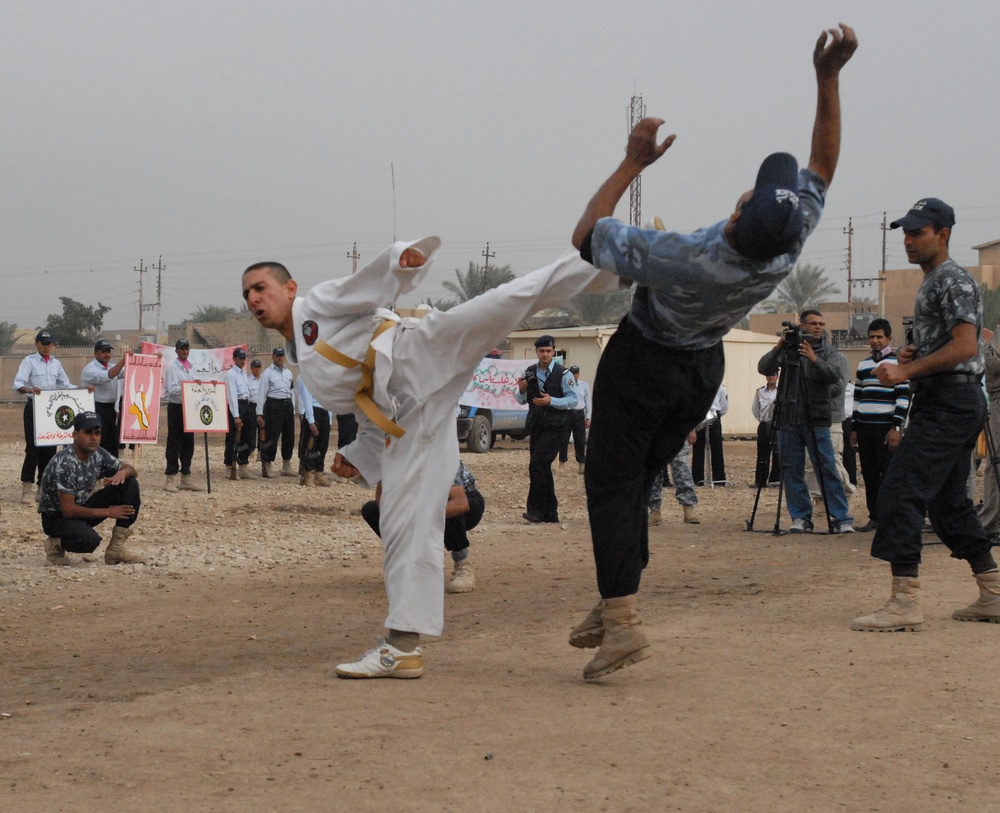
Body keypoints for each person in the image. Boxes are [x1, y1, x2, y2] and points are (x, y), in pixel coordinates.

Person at [567, 23, 857, 680]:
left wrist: (633, 163)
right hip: (701, 371)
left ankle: (622, 622)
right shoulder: (786, 241)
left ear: (738, 213)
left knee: (609, 482)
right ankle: (617, 600)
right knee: (637, 480)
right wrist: (828, 80)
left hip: (644, 363)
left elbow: (585, 233)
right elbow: (823, 165)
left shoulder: (685, 253)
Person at [241, 236, 616, 678]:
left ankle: (617, 261)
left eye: (260, 288)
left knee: (506, 300)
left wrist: (402, 263)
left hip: (418, 352)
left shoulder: (317, 304)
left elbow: (367, 286)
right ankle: (403, 646)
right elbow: (368, 405)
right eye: (247, 295)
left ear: (289, 289)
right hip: (417, 412)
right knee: (403, 520)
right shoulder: (311, 368)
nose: (253, 299)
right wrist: (358, 456)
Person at [852, 198, 1000, 631]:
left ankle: (904, 603)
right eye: (906, 233)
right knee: (950, 504)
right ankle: (993, 592)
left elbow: (967, 346)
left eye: (918, 232)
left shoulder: (952, 279)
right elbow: (950, 346)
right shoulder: (935, 281)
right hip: (947, 399)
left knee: (899, 490)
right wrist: (915, 353)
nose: (909, 240)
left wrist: (905, 369)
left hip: (950, 402)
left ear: (944, 234)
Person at [758, 309, 854, 534]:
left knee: (826, 468)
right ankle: (801, 517)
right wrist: (780, 346)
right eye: (813, 323)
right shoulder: (789, 351)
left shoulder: (829, 352)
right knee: (791, 470)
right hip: (789, 418)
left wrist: (813, 359)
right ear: (801, 326)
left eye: (821, 323)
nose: (818, 327)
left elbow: (834, 376)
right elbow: (764, 367)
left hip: (817, 419)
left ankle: (841, 518)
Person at [37, 410, 144, 566]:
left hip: (80, 506)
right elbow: (69, 510)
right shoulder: (65, 464)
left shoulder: (98, 454)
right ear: (75, 435)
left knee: (130, 483)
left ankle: (116, 549)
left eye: (97, 433)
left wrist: (122, 473)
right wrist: (108, 512)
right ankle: (56, 543)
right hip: (58, 517)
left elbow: (131, 469)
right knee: (89, 541)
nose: (93, 437)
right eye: (88, 432)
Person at [362, 460, 484, 594]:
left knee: (443, 506)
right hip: (420, 502)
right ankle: (409, 564)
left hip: (466, 501)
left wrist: (419, 515)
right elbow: (383, 498)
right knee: (372, 510)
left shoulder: (436, 455)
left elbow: (461, 503)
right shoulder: (392, 458)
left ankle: (463, 565)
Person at [850, 319, 909, 532]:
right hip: (865, 428)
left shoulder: (898, 365)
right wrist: (855, 428)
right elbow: (857, 397)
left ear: (889, 339)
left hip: (886, 428)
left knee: (889, 474)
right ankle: (875, 517)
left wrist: (895, 427)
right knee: (869, 473)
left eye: (879, 337)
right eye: (872, 336)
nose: (875, 341)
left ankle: (891, 518)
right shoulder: (864, 365)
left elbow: (903, 398)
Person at [516, 335, 578, 523]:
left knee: (538, 464)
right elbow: (520, 400)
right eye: (542, 351)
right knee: (542, 467)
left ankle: (536, 510)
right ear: (537, 352)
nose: (545, 354)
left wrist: (552, 401)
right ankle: (550, 513)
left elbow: (573, 400)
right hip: (537, 426)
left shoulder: (564, 374)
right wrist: (522, 390)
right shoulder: (529, 372)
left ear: (554, 351)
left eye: (548, 351)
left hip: (556, 426)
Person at [13, 330, 72, 504]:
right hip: (34, 408)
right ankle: (27, 488)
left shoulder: (56, 364)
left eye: (50, 344)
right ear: (37, 343)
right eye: (44, 343)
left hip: (51, 411)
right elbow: (18, 384)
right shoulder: (29, 362)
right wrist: (30, 390)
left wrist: (84, 391)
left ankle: (43, 487)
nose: (47, 347)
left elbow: (65, 384)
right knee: (33, 448)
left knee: (50, 448)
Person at [163, 338, 203, 492]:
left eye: (187, 348)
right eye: (182, 349)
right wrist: (189, 386)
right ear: (177, 351)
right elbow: (172, 389)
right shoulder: (172, 368)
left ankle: (186, 476)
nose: (185, 351)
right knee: (174, 442)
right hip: (176, 408)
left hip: (189, 408)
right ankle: (170, 478)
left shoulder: (191, 367)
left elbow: (195, 386)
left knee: (188, 442)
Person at [80, 339, 130, 457]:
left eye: (108, 351)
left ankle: (111, 471)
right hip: (96, 408)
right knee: (98, 441)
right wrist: (124, 360)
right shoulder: (90, 369)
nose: (107, 354)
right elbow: (108, 375)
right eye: (104, 352)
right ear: (95, 353)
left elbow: (131, 371)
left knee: (112, 443)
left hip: (111, 408)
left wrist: (150, 358)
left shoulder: (113, 366)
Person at [257, 347, 296, 478]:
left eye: (281, 355)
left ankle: (286, 464)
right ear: (273, 357)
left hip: (287, 405)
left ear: (284, 357)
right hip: (273, 405)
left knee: (289, 435)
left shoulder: (289, 373)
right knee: (271, 436)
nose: (279, 358)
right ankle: (267, 464)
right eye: (277, 355)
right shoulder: (267, 373)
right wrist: (259, 413)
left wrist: (293, 408)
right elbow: (262, 393)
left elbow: (292, 392)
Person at [648, 431, 699, 526]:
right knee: (653, 469)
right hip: (654, 429)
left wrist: (691, 429)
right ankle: (654, 510)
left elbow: (686, 415)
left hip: (677, 429)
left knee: (681, 467)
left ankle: (688, 507)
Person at [224, 347, 256, 480]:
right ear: (234, 359)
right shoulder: (231, 374)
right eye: (240, 358)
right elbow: (232, 396)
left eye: (244, 358)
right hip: (236, 406)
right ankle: (229, 465)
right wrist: (236, 415)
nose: (243, 360)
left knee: (247, 437)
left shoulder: (243, 373)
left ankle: (243, 465)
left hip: (246, 405)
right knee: (232, 438)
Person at [296, 377, 332, 486]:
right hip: (313, 411)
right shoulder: (307, 376)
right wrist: (311, 420)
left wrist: (329, 419)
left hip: (324, 412)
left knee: (322, 445)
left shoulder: (324, 377)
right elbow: (306, 399)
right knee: (311, 445)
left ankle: (318, 472)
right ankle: (307, 474)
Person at [692, 383, 729, 487]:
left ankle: (719, 479)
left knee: (717, 449)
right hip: (700, 420)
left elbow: (724, 406)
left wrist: (716, 416)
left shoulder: (720, 388)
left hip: (714, 419)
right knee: (698, 449)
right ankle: (697, 479)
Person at [559, 365, 591, 474]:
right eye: (572, 373)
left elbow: (588, 402)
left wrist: (588, 417)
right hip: (567, 413)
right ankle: (562, 462)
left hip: (579, 413)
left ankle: (581, 463)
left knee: (580, 440)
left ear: (579, 374)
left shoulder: (584, 385)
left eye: (576, 373)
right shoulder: (564, 384)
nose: (574, 375)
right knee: (564, 439)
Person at [751, 373, 781, 488]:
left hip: (777, 425)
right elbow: (755, 408)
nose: (771, 377)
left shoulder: (781, 391)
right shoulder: (760, 392)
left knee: (777, 453)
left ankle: (775, 479)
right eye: (768, 375)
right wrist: (762, 419)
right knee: (763, 454)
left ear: (777, 377)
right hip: (764, 424)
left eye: (773, 375)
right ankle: (760, 481)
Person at [247, 358, 263, 459]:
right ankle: (251, 450)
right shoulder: (248, 381)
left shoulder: (264, 380)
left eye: (258, 367)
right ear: (251, 368)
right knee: (251, 430)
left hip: (262, 407)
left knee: (262, 429)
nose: (256, 369)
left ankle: (260, 452)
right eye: (254, 367)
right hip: (252, 407)